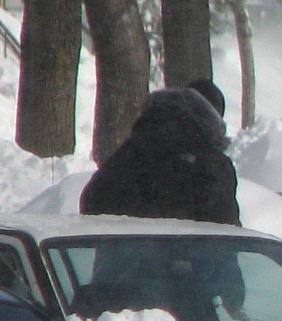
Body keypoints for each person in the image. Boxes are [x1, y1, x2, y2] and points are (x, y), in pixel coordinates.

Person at [81, 80, 240, 226]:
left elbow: (92, 202)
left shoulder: (132, 150)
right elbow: (225, 232)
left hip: (124, 254)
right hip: (185, 255)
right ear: (213, 119)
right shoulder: (211, 164)